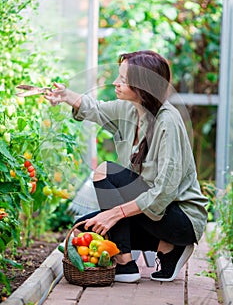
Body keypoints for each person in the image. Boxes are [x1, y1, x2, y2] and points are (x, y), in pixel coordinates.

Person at [45, 50, 208, 283]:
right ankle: (165, 250)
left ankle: (127, 261)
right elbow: (95, 108)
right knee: (84, 229)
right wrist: (64, 94)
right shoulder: (130, 109)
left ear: (142, 86)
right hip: (150, 214)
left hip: (180, 218)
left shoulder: (168, 122)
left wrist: (114, 214)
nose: (115, 83)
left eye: (123, 79)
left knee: (105, 172)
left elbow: (163, 193)